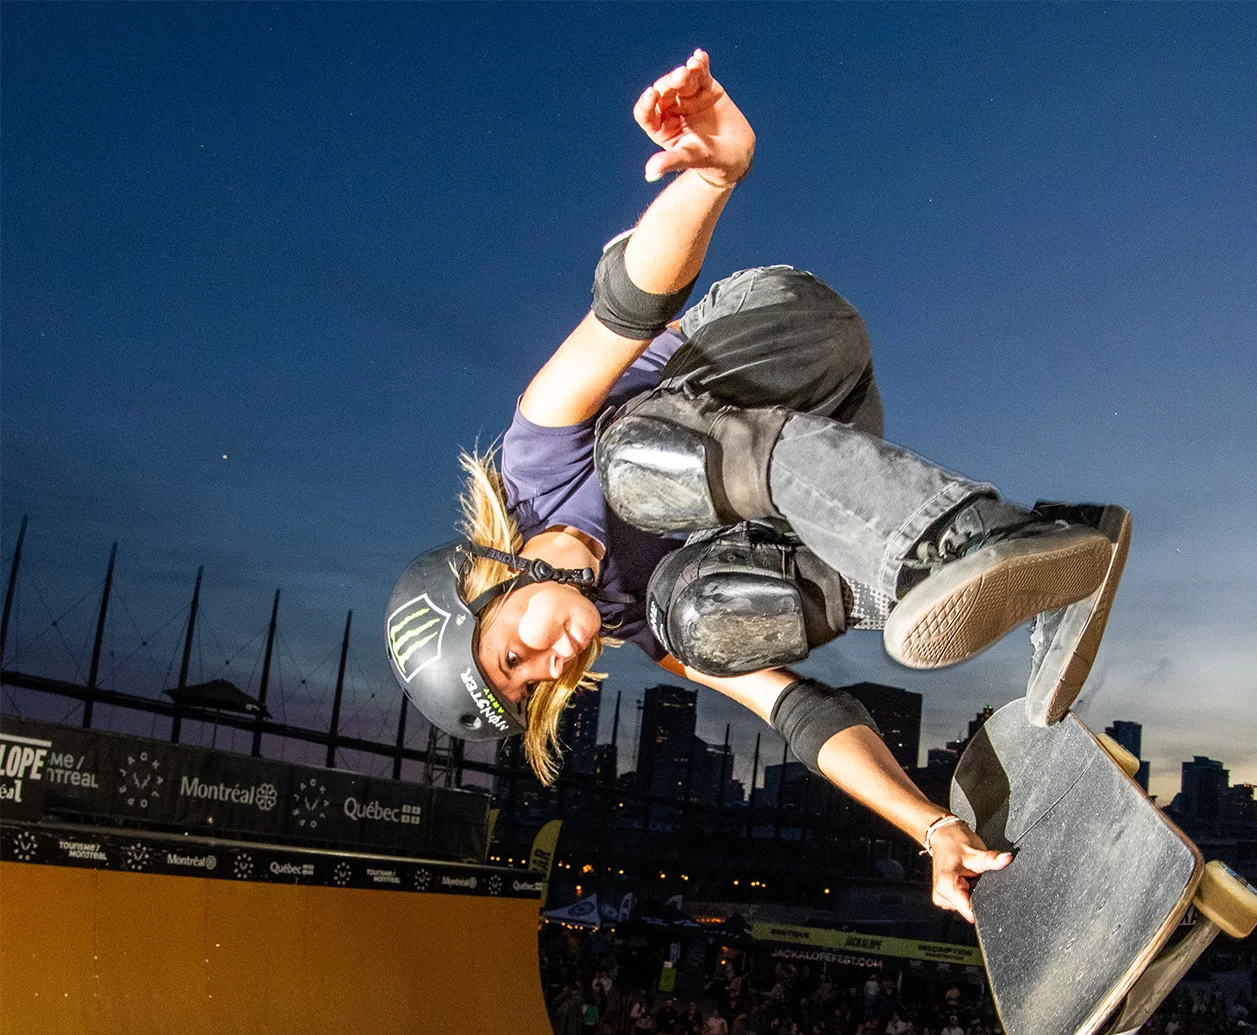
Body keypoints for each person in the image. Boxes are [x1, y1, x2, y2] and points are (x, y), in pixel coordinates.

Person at [384, 50, 1130, 927]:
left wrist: (711, 179)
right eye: (534, 687)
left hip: (778, 335)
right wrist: (928, 828)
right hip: (836, 457)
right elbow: (794, 709)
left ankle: (961, 539)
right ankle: (1047, 547)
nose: (554, 664)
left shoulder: (536, 459)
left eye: (515, 655)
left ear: (487, 582)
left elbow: (626, 309)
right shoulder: (633, 618)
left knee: (635, 467)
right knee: (699, 618)